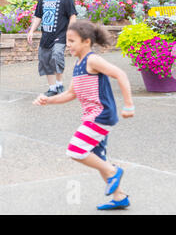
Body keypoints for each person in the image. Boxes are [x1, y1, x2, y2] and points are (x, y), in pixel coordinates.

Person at [32, 20, 135, 210]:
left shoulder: (92, 60)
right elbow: (71, 94)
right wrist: (48, 100)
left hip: (100, 115)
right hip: (93, 116)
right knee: (98, 157)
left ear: (86, 42)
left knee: (76, 149)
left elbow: (120, 74)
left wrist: (128, 105)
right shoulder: (79, 64)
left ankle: (114, 171)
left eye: (72, 41)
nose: (68, 45)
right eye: (67, 41)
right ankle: (119, 196)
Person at [27, 0, 78, 97]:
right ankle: (52, 87)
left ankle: (60, 84)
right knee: (45, 60)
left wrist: (69, 35)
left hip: (60, 35)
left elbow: (72, 16)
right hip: (46, 36)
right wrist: (32, 30)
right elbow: (38, 16)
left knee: (56, 56)